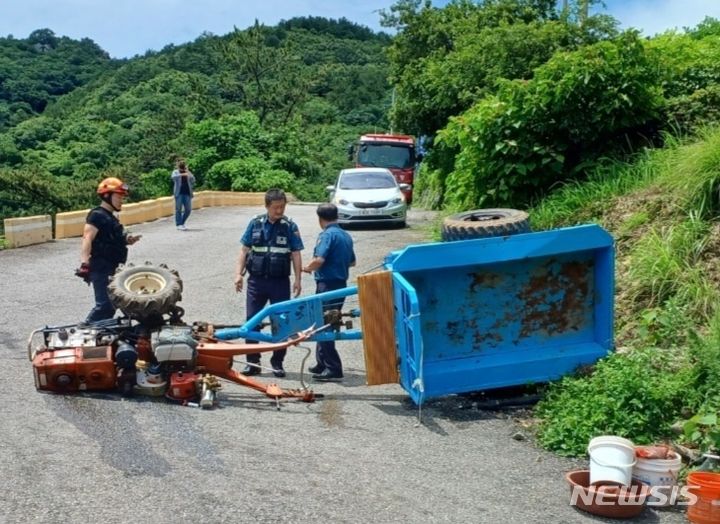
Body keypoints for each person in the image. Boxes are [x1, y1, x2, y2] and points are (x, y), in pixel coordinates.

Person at [234, 188, 304, 378]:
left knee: (281, 324)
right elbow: (244, 250)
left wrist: (298, 279)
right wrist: (238, 275)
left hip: (280, 283)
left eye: (282, 207)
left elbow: (296, 254)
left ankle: (277, 362)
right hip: (256, 282)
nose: (279, 211)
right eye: (275, 208)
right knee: (252, 322)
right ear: (267, 206)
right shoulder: (255, 223)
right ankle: (253, 362)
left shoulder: (290, 226)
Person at [302, 203, 356, 381]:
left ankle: (333, 367)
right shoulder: (345, 235)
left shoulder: (327, 235)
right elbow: (352, 262)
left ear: (320, 219)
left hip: (327, 285)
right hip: (341, 283)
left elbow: (319, 260)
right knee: (324, 321)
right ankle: (322, 363)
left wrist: (307, 268)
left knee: (325, 323)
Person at [76, 177, 141, 323]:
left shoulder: (110, 217)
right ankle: (85, 332)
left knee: (119, 304)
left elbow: (110, 239)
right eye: (119, 196)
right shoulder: (96, 215)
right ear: (107, 196)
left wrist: (127, 240)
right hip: (101, 267)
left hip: (115, 267)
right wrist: (84, 264)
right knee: (105, 306)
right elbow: (87, 238)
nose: (121, 200)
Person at [171, 160, 195, 231]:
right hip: (179, 193)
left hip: (187, 193)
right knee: (178, 209)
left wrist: (188, 172)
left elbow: (193, 180)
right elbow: (173, 177)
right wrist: (182, 174)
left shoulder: (187, 172)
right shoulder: (175, 172)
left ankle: (182, 222)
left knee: (188, 209)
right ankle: (179, 224)